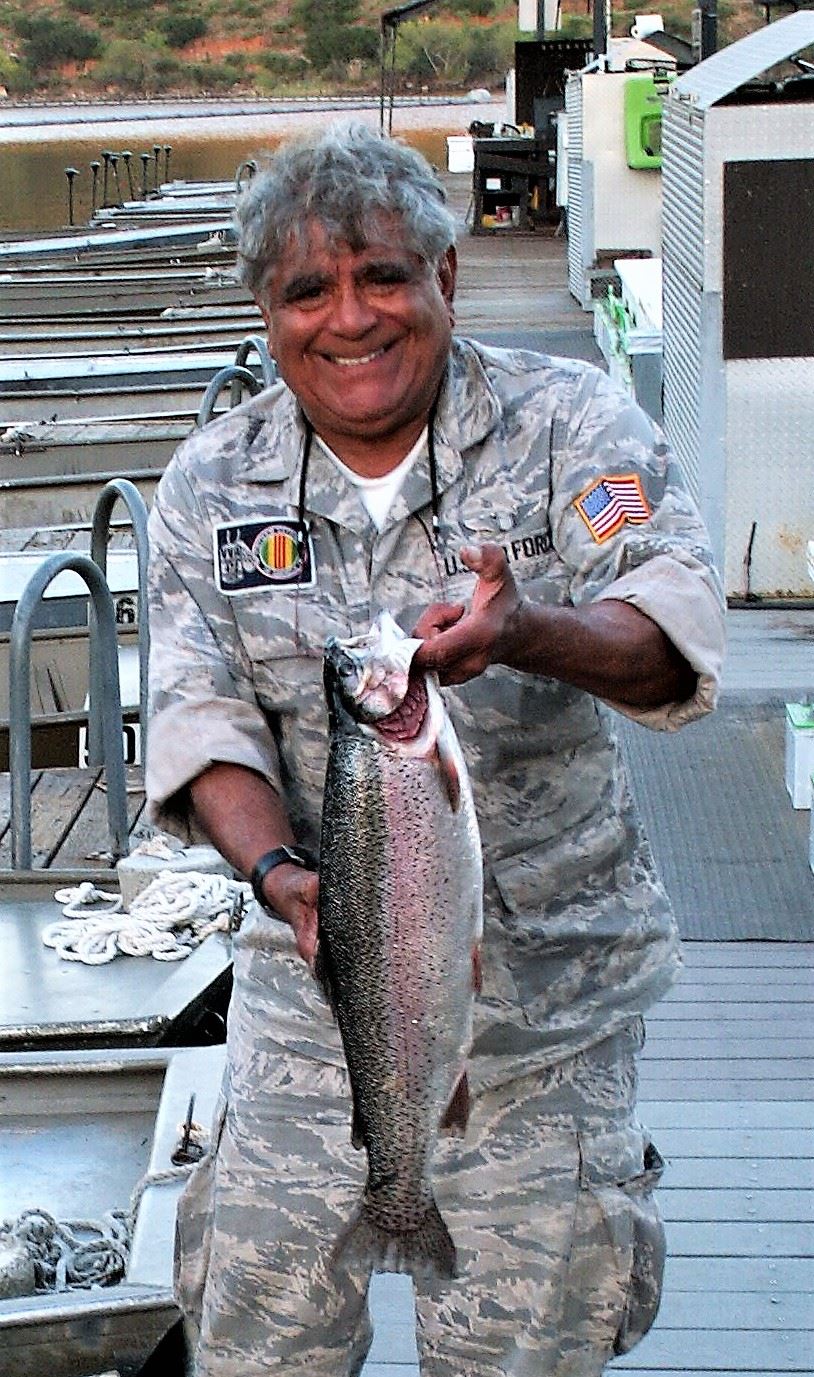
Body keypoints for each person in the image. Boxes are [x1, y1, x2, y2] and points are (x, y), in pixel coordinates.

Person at [145, 121, 725, 1377]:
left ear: (448, 279)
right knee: (253, 1342)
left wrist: (532, 631)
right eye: (307, 290)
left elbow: (675, 631)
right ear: (266, 313)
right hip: (313, 1010)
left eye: (384, 276)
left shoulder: (569, 421)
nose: (349, 318)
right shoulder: (207, 484)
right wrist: (274, 875)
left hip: (552, 1018)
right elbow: (203, 721)